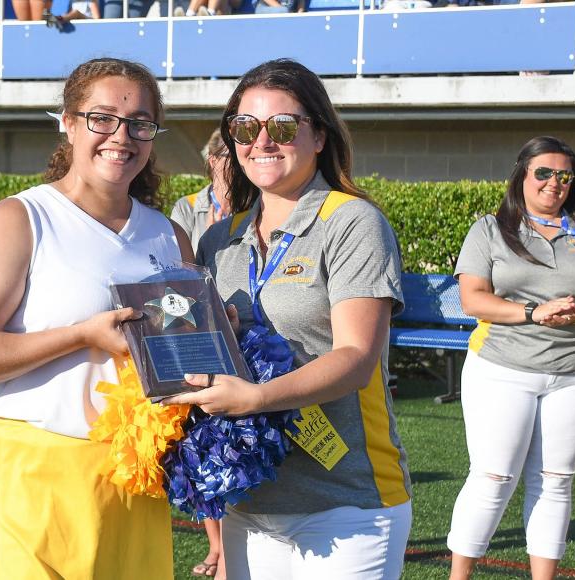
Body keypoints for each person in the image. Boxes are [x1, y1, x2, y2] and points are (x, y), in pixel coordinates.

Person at [0, 57, 193, 580]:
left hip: (135, 475)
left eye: (140, 123)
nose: (121, 136)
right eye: (101, 118)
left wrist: (215, 336)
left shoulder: (170, 236)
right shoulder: (20, 219)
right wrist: (82, 336)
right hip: (36, 474)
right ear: (68, 123)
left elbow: (177, 356)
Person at [164, 58, 412, 580]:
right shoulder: (217, 238)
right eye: (244, 128)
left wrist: (254, 398)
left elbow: (356, 359)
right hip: (248, 501)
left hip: (347, 500)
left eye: (282, 126)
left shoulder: (351, 222)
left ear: (318, 135)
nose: (262, 141)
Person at [447, 136, 575, 580]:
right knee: (493, 479)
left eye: (565, 175)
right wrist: (534, 312)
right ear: (522, 176)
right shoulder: (490, 229)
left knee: (556, 481)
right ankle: (460, 576)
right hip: (501, 371)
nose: (555, 183)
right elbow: (473, 300)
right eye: (544, 173)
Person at [168, 127, 229, 580]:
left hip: (239, 328)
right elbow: (179, 272)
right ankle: (216, 546)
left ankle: (231, 549)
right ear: (210, 159)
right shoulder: (188, 209)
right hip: (197, 329)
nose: (227, 160)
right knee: (204, 447)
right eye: (221, 153)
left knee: (236, 445)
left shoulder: (256, 206)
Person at [171, 128, 231, 252]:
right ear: (213, 161)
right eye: (232, 155)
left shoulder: (256, 207)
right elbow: (178, 263)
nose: (240, 162)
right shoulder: (186, 207)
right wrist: (210, 242)